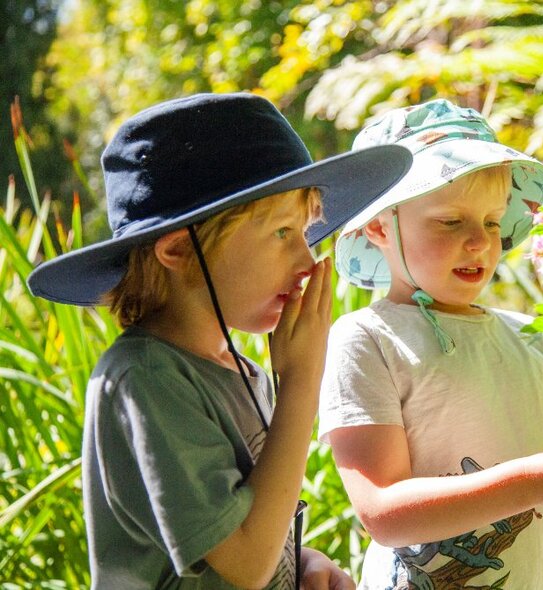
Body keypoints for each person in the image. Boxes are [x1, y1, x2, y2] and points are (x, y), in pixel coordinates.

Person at [27, 93, 412, 589]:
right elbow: (245, 563)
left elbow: (250, 530)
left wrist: (304, 560)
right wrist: (301, 382)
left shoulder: (240, 372)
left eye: (306, 234)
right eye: (281, 233)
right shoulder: (146, 376)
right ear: (180, 248)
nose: (306, 260)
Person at [318, 99, 543, 588]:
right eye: (450, 221)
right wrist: (538, 478)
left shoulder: (529, 337)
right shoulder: (367, 338)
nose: (481, 242)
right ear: (378, 226)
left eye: (492, 221)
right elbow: (383, 514)